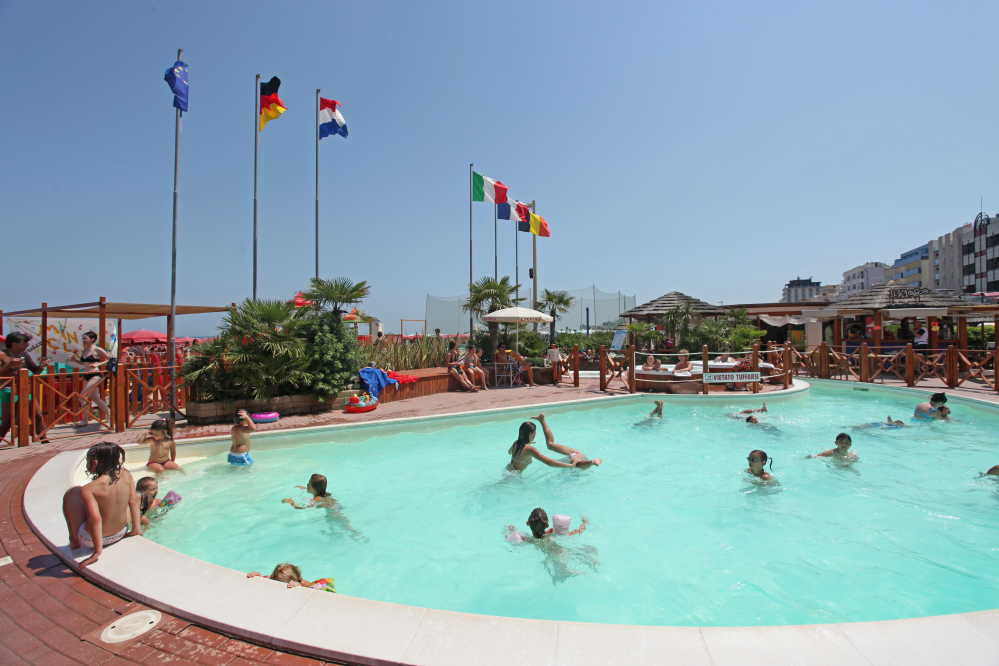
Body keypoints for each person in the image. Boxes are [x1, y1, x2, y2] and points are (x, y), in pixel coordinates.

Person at [62, 442, 141, 568]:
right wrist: (136, 529)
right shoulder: (126, 475)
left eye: (88, 461)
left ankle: (74, 541)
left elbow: (95, 518)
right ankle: (135, 528)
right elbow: (133, 501)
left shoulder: (89, 488)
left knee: (72, 493)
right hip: (121, 532)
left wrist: (97, 551)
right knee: (123, 501)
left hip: (90, 540)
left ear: (94, 462)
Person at [0, 332, 50, 442]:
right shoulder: (2, 355)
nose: (28, 344)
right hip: (8, 390)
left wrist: (41, 366)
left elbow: (36, 371)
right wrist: (9, 365)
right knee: (7, 421)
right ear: (14, 344)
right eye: (25, 342)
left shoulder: (25, 355)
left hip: (24, 390)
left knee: (37, 416)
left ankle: (44, 441)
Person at [508, 414, 601, 471]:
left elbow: (510, 452)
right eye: (535, 433)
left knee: (577, 464)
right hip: (574, 454)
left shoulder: (516, 443)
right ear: (530, 434)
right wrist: (570, 466)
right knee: (550, 445)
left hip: (576, 457)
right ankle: (542, 419)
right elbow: (549, 462)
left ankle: (592, 462)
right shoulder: (529, 449)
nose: (535, 435)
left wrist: (571, 466)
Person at [69, 331, 112, 427]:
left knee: (82, 396)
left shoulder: (97, 349)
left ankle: (85, 420)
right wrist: (74, 360)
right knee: (95, 398)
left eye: (85, 338)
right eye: (83, 338)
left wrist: (98, 364)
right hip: (86, 375)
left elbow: (110, 358)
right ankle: (109, 414)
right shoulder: (85, 350)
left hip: (95, 375)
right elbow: (84, 364)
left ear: (92, 339)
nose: (83, 340)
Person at [509, 507, 589, 541]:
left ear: (527, 523)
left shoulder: (528, 540)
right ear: (547, 525)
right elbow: (577, 532)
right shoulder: (552, 533)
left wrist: (511, 530)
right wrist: (584, 523)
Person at [247, 563, 336, 593]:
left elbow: (310, 588)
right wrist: (259, 577)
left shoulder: (303, 583)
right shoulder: (271, 580)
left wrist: (300, 589)